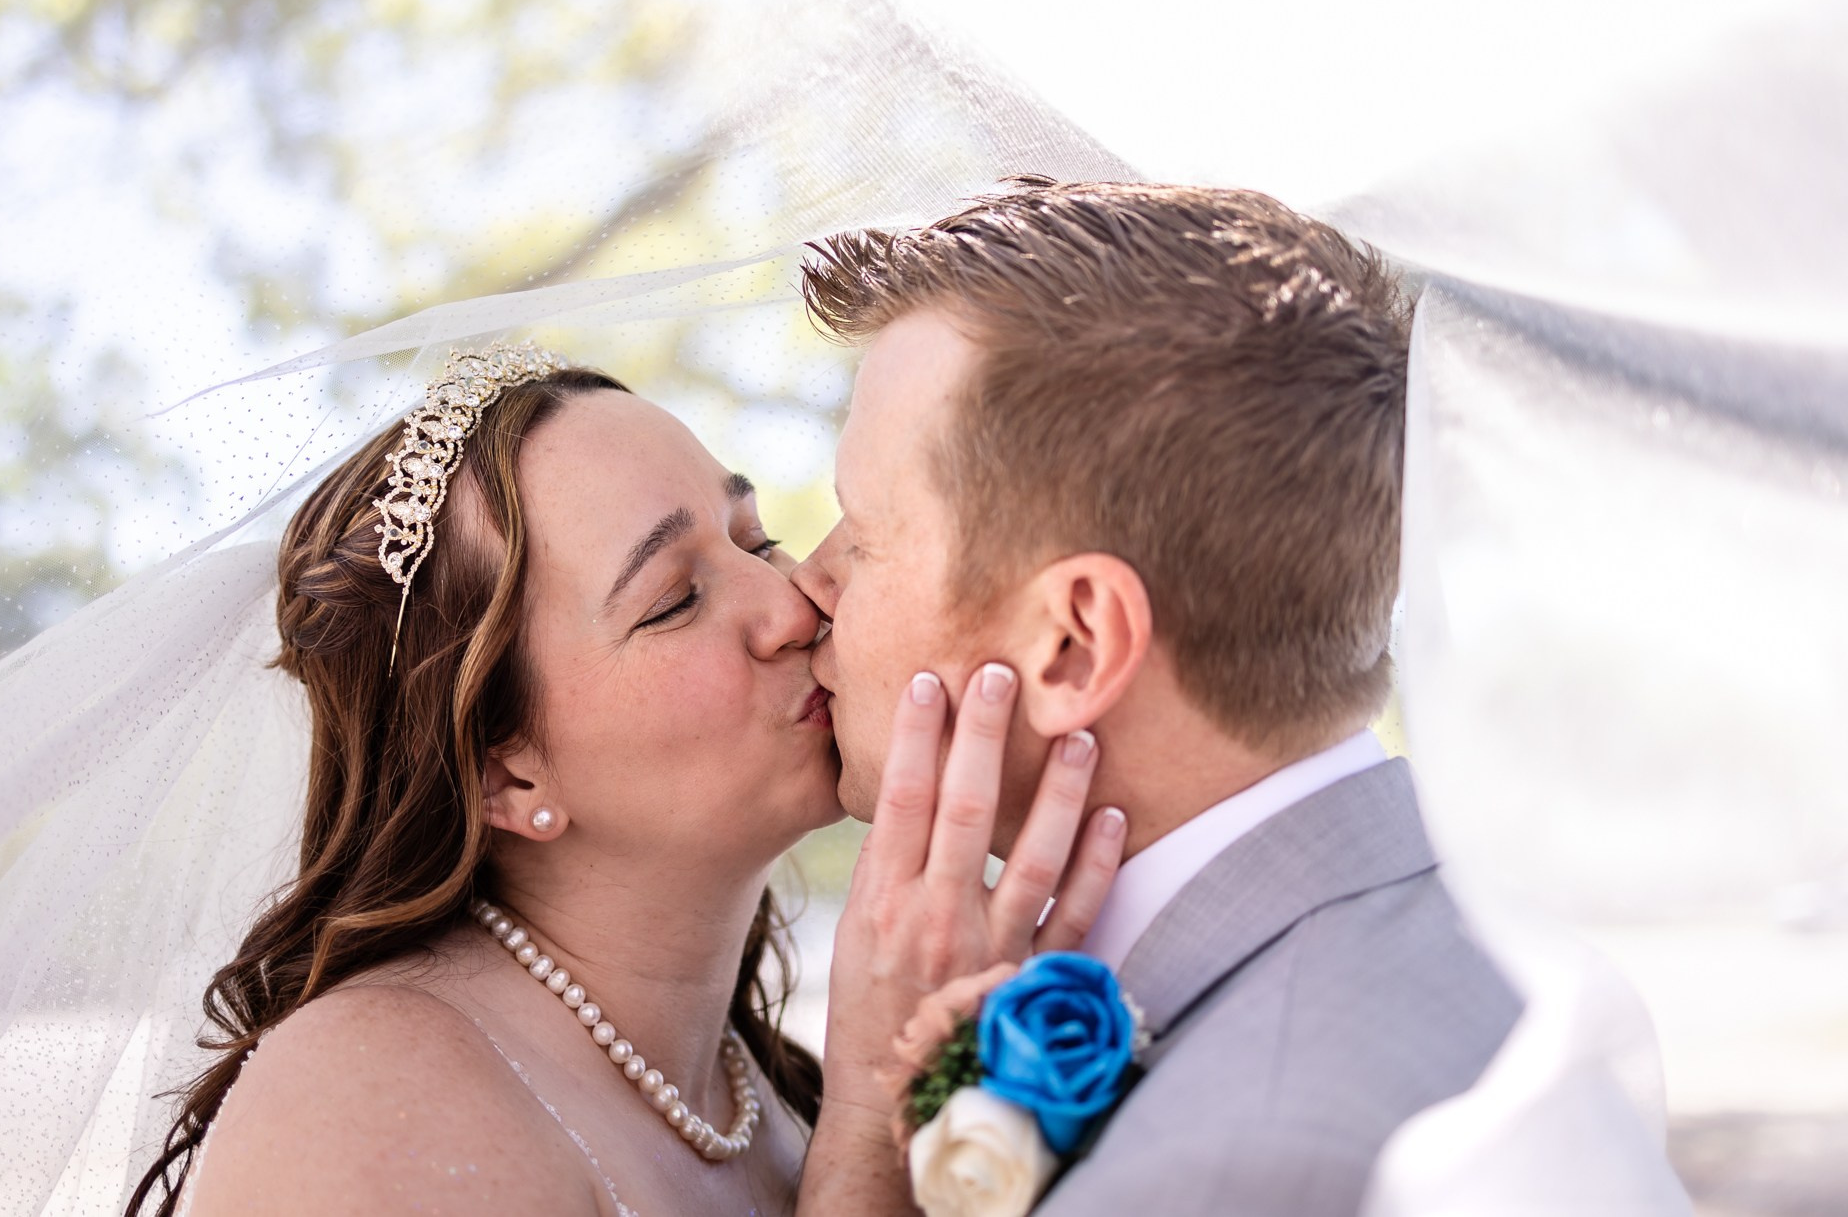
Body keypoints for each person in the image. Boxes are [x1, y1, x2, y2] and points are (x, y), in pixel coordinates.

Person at [134, 345, 1122, 1216]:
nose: (789, 602)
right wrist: (865, 1144)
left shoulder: (769, 1094)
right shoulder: (361, 1097)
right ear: (504, 774)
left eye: (748, 533)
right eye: (675, 600)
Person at [792, 177, 1532, 1215]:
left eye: (859, 535)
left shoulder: (1218, 1170)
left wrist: (867, 1146)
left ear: (1073, 644)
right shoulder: (1495, 913)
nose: (805, 584)